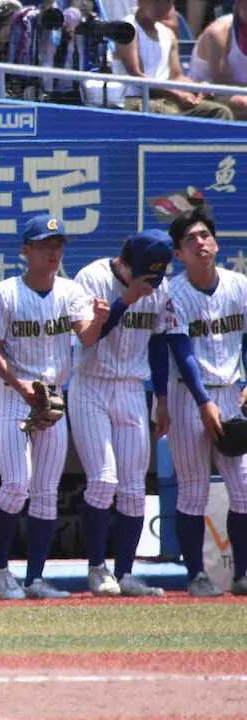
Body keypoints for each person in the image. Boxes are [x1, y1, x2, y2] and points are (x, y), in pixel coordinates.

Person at [0, 215, 104, 600]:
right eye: (44, 244)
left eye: (58, 244)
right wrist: (16, 383)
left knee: (46, 491)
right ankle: (0, 570)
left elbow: (86, 336)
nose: (53, 250)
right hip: (12, 396)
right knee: (17, 484)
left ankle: (35, 579)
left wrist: (100, 320)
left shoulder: (70, 292)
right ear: (26, 250)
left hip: (51, 397)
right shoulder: (4, 293)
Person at [70, 231, 174, 598]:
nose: (152, 281)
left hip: (132, 387)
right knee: (103, 480)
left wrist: (162, 398)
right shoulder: (92, 277)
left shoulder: (160, 288)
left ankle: (125, 572)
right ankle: (97, 568)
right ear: (125, 262)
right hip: (91, 383)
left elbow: (161, 343)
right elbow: (88, 338)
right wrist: (126, 300)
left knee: (132, 488)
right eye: (146, 273)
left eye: (157, 274)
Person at [163, 206, 247, 598]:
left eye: (204, 235)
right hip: (188, 397)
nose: (200, 242)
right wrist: (202, 401)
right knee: (193, 490)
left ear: (215, 242)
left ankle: (243, 574)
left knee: (244, 489)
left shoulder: (238, 285)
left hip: (232, 393)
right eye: (190, 239)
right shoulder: (173, 294)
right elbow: (183, 352)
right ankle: (196, 575)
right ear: (177, 253)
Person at [112, 0, 233, 118]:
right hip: (134, 100)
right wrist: (176, 94)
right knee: (172, 114)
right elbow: (136, 76)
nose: (163, 6)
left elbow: (176, 77)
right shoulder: (128, 28)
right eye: (156, 0)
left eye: (168, 1)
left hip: (166, 99)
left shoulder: (168, 34)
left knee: (220, 112)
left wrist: (198, 88)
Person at [189, 0, 247, 120]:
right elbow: (223, 80)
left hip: (241, 90)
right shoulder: (218, 32)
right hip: (209, 94)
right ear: (238, 5)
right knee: (242, 102)